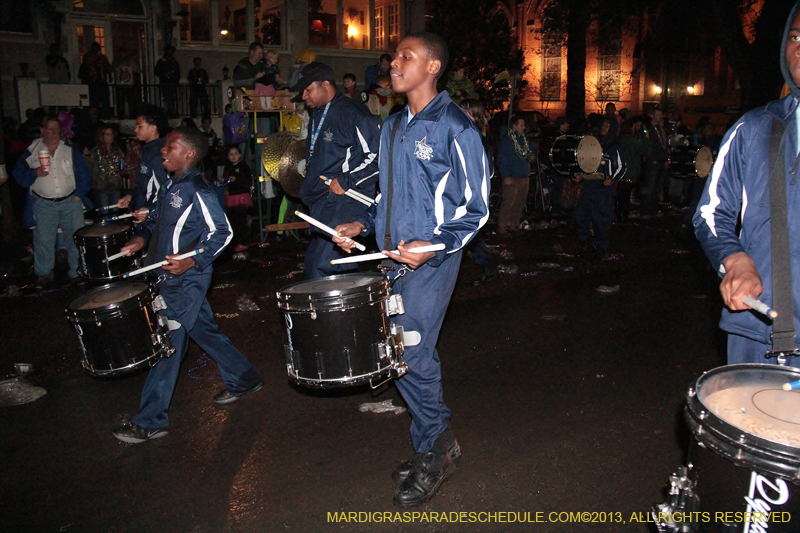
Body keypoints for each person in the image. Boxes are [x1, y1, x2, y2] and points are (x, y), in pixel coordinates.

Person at [333, 32, 489, 507]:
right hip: (391, 258)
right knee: (397, 353)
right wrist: (362, 223)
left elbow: (477, 207)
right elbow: (392, 195)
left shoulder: (456, 127)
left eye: (407, 56)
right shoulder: (394, 125)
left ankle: (437, 449)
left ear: (433, 67)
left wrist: (435, 245)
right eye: (396, 55)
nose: (395, 62)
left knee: (412, 354)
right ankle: (431, 443)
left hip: (432, 262)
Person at [112, 128, 263, 444]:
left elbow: (222, 234)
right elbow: (156, 219)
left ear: (190, 154)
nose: (163, 150)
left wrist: (193, 261)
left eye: (170, 146)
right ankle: (245, 379)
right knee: (203, 330)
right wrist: (141, 238)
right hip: (166, 279)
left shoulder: (197, 189)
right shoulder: (170, 185)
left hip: (186, 281)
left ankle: (151, 419)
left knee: (167, 343)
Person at [694, 1, 800, 366]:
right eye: (796, 36)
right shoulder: (754, 129)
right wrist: (734, 259)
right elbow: (711, 212)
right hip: (762, 336)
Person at [290, 61, 380, 279]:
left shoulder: (354, 113)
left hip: (346, 200)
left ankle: (319, 312)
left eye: (308, 89)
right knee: (339, 266)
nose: (304, 96)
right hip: (322, 200)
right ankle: (346, 312)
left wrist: (346, 180)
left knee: (319, 266)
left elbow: (379, 156)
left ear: (326, 85)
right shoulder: (318, 114)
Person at [12, 115, 91, 289]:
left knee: (75, 239)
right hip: (43, 204)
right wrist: (33, 173)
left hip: (70, 202)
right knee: (43, 241)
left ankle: (76, 272)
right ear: (42, 131)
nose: (54, 133)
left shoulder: (69, 150)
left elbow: (85, 174)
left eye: (57, 129)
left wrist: (79, 195)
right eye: (50, 129)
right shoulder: (31, 151)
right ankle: (43, 274)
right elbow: (18, 175)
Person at [573, 116, 625, 261]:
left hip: (604, 189)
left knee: (601, 220)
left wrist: (612, 179)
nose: (604, 127)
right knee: (581, 214)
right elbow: (587, 164)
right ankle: (586, 243)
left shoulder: (615, 145)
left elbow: (621, 167)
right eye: (604, 124)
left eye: (608, 125)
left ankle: (601, 249)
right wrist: (580, 176)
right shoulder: (594, 144)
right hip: (590, 186)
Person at [459, 98, 499, 286]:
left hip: (470, 196)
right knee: (467, 237)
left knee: (469, 236)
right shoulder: (463, 134)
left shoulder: (476, 138)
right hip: (462, 196)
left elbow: (487, 172)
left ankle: (489, 268)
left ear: (473, 114)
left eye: (464, 110)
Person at [118, 105, 169, 219]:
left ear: (153, 128)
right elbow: (144, 183)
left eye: (139, 126)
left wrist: (150, 210)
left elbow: (165, 188)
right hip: (143, 210)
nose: (135, 129)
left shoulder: (157, 154)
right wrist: (131, 196)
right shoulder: (147, 150)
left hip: (153, 217)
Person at [496, 115, 533, 233]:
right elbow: (501, 159)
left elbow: (528, 153)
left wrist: (531, 157)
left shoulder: (524, 141)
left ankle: (513, 223)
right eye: (521, 124)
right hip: (512, 176)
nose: (524, 127)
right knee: (508, 201)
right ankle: (502, 224)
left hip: (524, 175)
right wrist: (505, 175)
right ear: (514, 126)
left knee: (520, 202)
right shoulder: (506, 142)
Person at [617, 116, 650, 223]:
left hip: (620, 172)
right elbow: (646, 148)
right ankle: (623, 216)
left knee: (621, 195)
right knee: (626, 196)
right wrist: (646, 136)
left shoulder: (618, 140)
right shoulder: (633, 141)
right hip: (631, 171)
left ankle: (619, 214)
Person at [222, 145, 253, 257]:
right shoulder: (228, 167)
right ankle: (235, 241)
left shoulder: (243, 166)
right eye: (231, 154)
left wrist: (237, 179)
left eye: (235, 154)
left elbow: (248, 180)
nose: (233, 156)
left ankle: (244, 242)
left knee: (241, 220)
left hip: (241, 195)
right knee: (233, 220)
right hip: (231, 196)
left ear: (239, 155)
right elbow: (227, 180)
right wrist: (224, 180)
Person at [640, 108, 670, 218]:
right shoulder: (649, 129)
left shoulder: (661, 128)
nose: (660, 117)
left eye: (661, 115)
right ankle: (646, 209)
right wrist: (652, 158)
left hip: (661, 159)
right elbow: (648, 144)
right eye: (657, 115)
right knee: (650, 185)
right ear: (652, 116)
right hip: (653, 161)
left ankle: (653, 208)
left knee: (657, 186)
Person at [87, 126, 125, 209]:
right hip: (102, 187)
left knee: (115, 210)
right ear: (102, 136)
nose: (110, 136)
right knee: (104, 211)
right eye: (107, 134)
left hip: (115, 186)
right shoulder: (95, 152)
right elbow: (92, 168)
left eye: (111, 134)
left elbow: (122, 165)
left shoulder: (117, 150)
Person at [79, 42, 112, 118]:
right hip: (90, 86)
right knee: (92, 102)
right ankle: (90, 116)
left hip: (100, 85)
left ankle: (104, 115)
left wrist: (108, 76)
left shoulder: (100, 61)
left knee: (103, 100)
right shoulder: (84, 66)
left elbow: (105, 70)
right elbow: (81, 75)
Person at [112, 47, 141, 119]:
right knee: (120, 101)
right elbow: (111, 69)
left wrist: (131, 70)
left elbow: (138, 70)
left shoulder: (130, 61)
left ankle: (132, 115)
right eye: (120, 53)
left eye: (123, 53)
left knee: (131, 101)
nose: (121, 54)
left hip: (129, 85)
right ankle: (121, 115)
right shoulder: (116, 61)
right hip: (120, 85)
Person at [155, 47, 180, 117]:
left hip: (172, 83)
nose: (170, 54)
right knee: (166, 98)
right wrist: (164, 74)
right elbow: (156, 71)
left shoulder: (174, 62)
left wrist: (176, 80)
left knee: (172, 98)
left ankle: (172, 111)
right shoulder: (161, 61)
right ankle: (168, 111)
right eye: (169, 52)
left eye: (171, 52)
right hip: (165, 83)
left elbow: (178, 73)